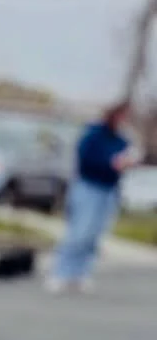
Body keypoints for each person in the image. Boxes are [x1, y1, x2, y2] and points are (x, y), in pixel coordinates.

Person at [47, 105, 135, 291]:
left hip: (108, 189)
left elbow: (124, 162)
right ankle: (61, 272)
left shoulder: (122, 140)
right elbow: (85, 160)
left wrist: (125, 164)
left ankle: (81, 273)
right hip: (88, 187)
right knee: (79, 232)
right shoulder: (93, 135)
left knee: (94, 235)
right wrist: (110, 163)